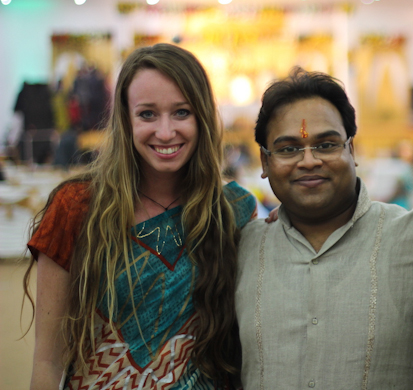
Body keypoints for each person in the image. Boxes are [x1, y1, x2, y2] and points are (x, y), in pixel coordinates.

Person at [23, 43, 256, 389]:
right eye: (147, 114)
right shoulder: (76, 207)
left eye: (181, 112)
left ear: (203, 117)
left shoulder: (233, 209)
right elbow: (48, 360)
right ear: (125, 119)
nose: (165, 132)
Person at [235, 68, 413, 389]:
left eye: (326, 145)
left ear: (352, 151)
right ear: (265, 163)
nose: (308, 161)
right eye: (288, 149)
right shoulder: (241, 249)